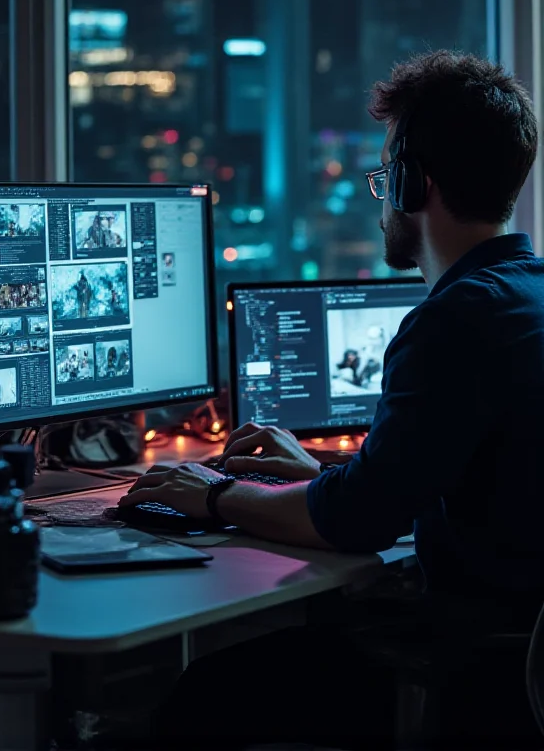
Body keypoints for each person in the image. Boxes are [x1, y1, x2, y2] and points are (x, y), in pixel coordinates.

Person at [121, 51, 542, 748]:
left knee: (205, 695)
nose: (382, 200)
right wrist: (322, 477)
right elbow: (459, 481)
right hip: (516, 657)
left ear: (411, 183)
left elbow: (357, 524)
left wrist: (215, 495)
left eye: (384, 176)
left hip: (474, 671)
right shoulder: (528, 296)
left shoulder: (453, 321)